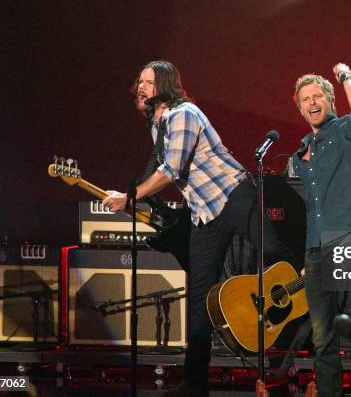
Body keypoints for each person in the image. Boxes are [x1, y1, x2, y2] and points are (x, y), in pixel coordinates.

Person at [103, 60, 296, 397]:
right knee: (200, 296)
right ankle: (195, 382)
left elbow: (171, 168)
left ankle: (307, 300)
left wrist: (130, 196)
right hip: (204, 213)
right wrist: (130, 197)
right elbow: (157, 167)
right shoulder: (158, 125)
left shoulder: (184, 114)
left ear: (164, 85)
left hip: (234, 195)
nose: (141, 88)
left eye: (148, 82)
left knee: (274, 253)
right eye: (140, 82)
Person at [291, 63, 351, 397]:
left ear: (329, 100)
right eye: (305, 99)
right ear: (299, 108)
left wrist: (345, 77)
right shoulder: (301, 154)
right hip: (316, 246)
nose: (312, 103)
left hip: (349, 231)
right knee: (322, 336)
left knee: (349, 308)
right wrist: (310, 256)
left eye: (317, 97)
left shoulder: (344, 131)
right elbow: (314, 207)